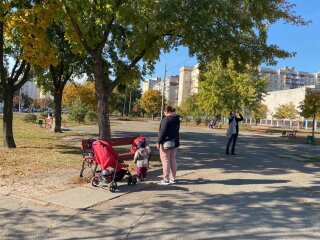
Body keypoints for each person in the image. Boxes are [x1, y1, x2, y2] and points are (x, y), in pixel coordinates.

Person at [157, 105, 180, 185]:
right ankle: (173, 178)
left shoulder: (166, 119)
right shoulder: (176, 119)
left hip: (166, 143)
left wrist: (158, 142)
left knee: (165, 160)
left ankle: (166, 179)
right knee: (172, 159)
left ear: (166, 111)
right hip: (175, 142)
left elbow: (162, 132)